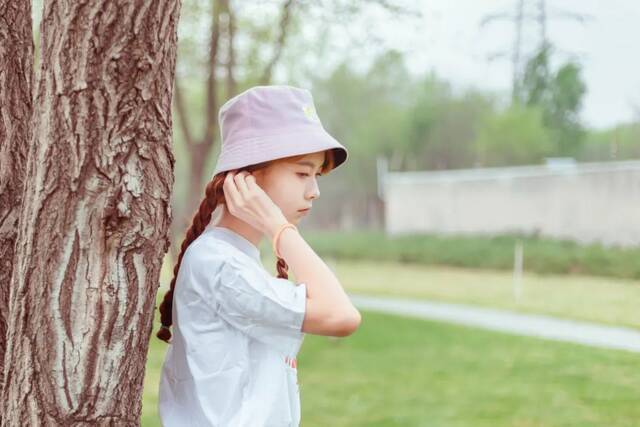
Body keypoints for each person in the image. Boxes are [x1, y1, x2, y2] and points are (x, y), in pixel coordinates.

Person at [156, 85, 362, 426]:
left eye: (317, 175)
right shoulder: (218, 263)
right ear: (247, 177)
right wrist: (277, 225)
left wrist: (277, 228)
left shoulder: (232, 257)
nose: (314, 191)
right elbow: (341, 316)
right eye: (302, 173)